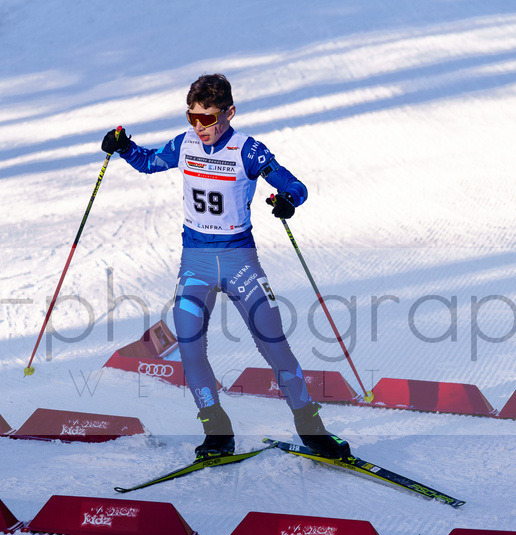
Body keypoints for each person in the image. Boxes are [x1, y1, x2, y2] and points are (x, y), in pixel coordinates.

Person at [101, 73, 351, 461]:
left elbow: (295, 186)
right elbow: (150, 162)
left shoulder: (247, 150)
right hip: (196, 262)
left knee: (272, 341)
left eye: (209, 118)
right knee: (188, 341)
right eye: (192, 118)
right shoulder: (184, 145)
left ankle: (311, 427)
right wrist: (124, 146)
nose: (200, 128)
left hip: (239, 261)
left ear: (230, 112)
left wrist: (288, 201)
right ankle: (216, 428)